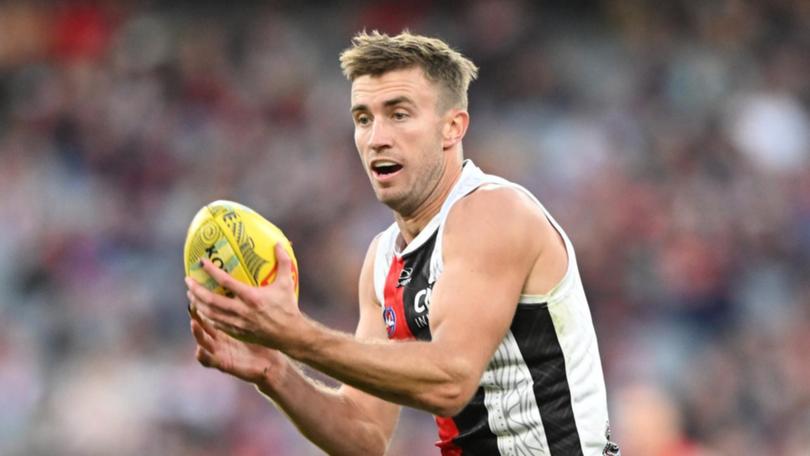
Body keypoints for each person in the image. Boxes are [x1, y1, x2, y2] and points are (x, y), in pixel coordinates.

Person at [186, 30, 620, 456]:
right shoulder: (382, 259)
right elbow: (364, 435)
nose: (377, 138)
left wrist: (296, 335)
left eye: (399, 114)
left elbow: (451, 379)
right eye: (363, 118)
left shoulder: (494, 212)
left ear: (452, 127)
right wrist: (275, 370)